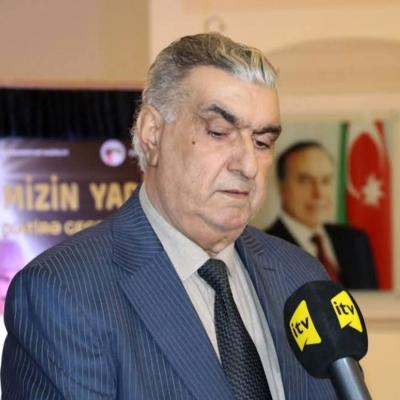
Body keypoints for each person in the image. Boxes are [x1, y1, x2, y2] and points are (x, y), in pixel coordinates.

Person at [2, 34, 337, 399]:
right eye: (219, 132)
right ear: (152, 134)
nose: (248, 165)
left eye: (262, 142)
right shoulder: (64, 292)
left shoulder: (301, 277)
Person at [266, 141, 378, 289]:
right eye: (305, 181)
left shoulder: (355, 241)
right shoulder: (263, 249)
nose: (319, 193)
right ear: (281, 186)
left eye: (326, 181)